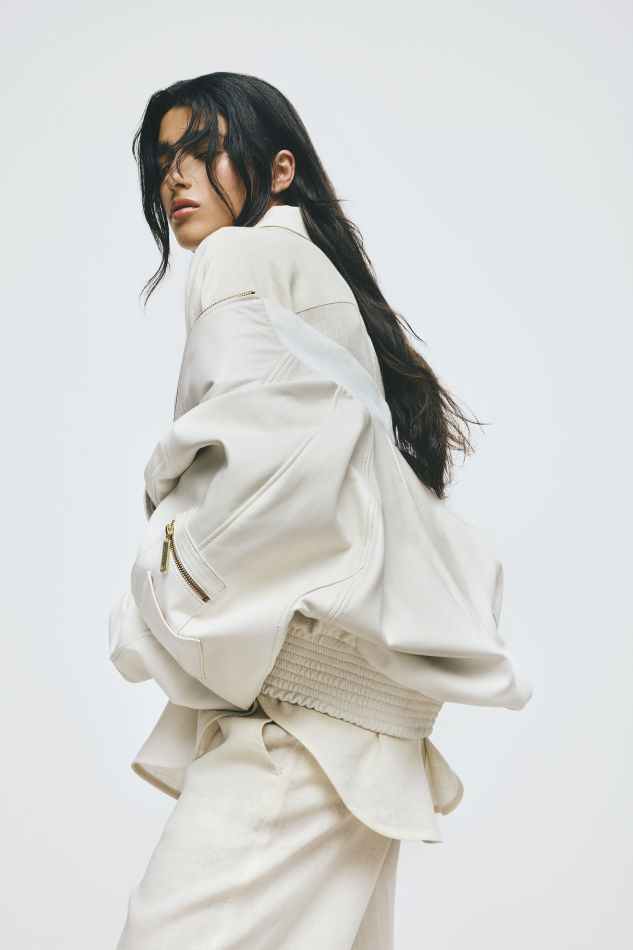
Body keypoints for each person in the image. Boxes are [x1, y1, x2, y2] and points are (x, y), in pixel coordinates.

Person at [109, 70, 533, 950]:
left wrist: (161, 581)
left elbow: (252, 467)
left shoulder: (239, 256)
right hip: (361, 724)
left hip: (297, 722)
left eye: (202, 149)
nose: (175, 176)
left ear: (279, 170)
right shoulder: (316, 280)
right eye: (164, 159)